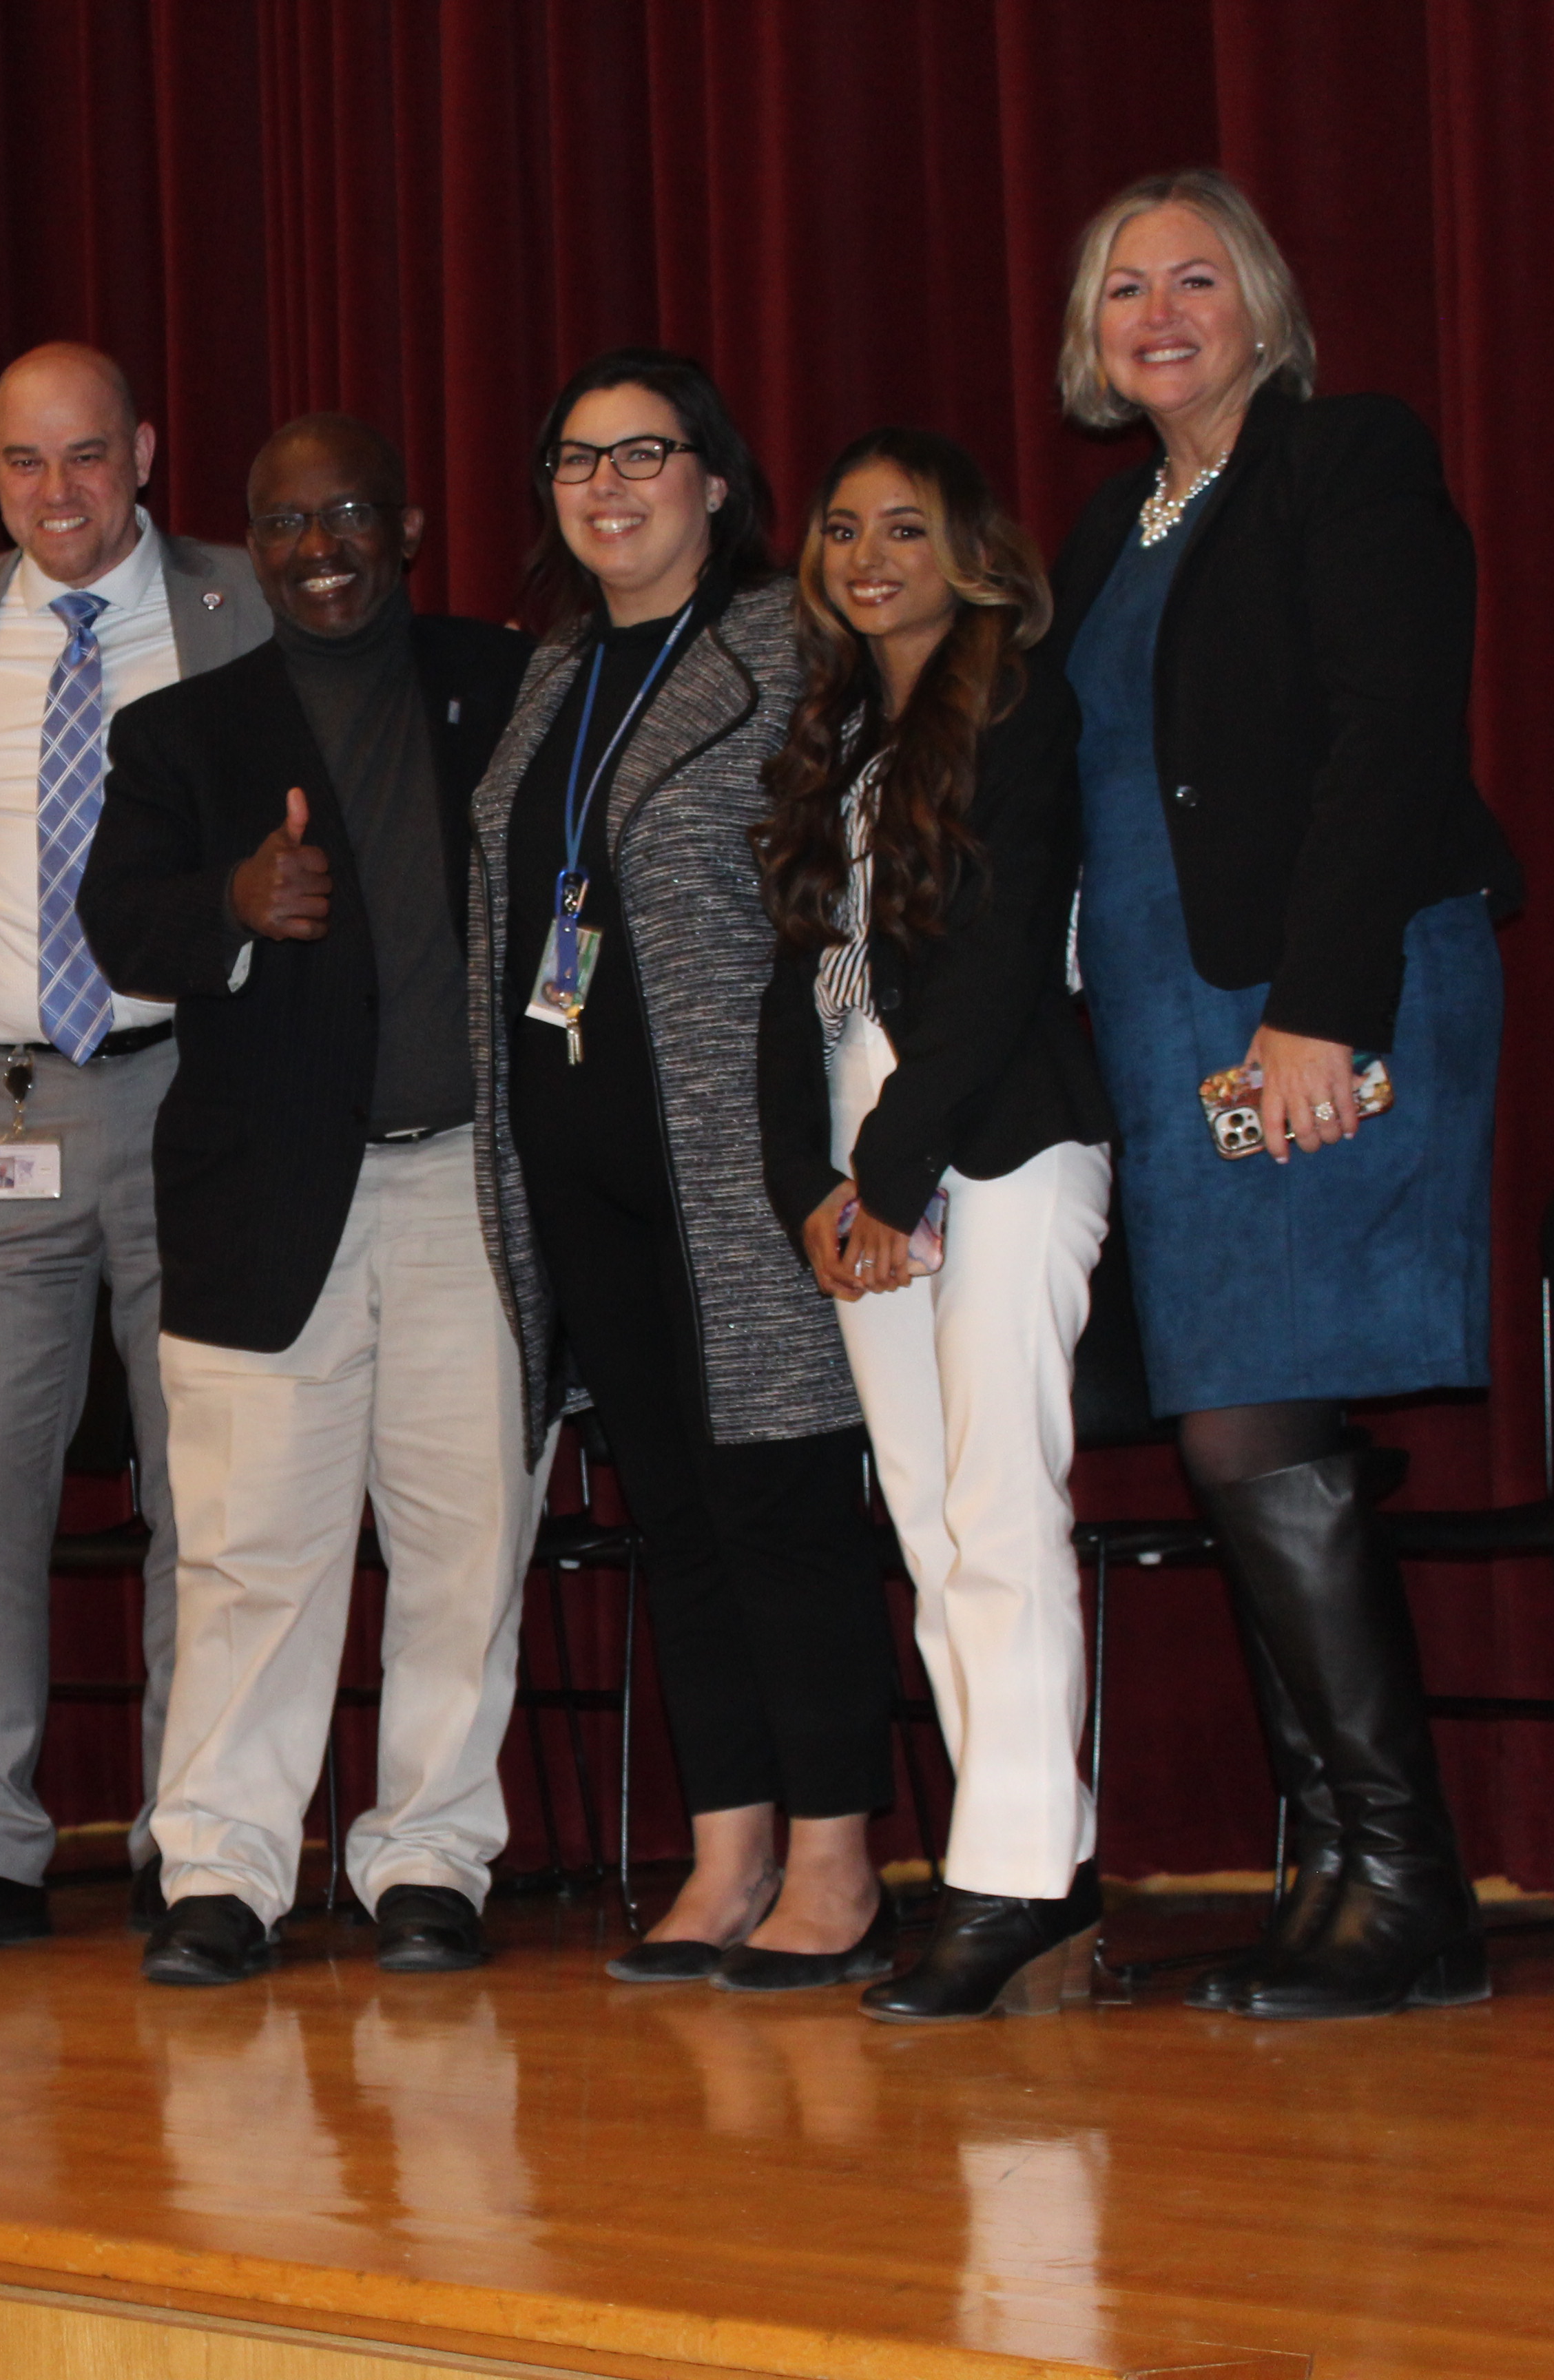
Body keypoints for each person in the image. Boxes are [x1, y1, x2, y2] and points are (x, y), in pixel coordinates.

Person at [1042, 169, 1521, 2021]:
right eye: (1123, 288)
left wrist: (1321, 1009)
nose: (1160, 312)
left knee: (1253, 1425)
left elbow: (1396, 728)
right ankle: (1337, 1868)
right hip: (1168, 1025)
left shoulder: (1349, 461)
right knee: (1243, 1425)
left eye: (1197, 278)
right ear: (1091, 342)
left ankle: (1407, 1882)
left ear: (1264, 308)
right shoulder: (1109, 533)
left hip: (1324, 994)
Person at [78, 414, 538, 1985]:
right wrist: (231, 903)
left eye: (350, 512)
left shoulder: (509, 686)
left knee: (465, 1545)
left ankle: (429, 1864)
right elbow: (121, 928)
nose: (321, 546)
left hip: (473, 1192)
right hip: (264, 1207)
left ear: (406, 527)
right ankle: (222, 1872)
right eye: (285, 522)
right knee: (250, 1556)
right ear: (247, 545)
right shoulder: (183, 734)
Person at [466, 349, 894, 1992]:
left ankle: (841, 1864)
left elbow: (836, 905)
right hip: (579, 1164)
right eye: (576, 460)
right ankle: (728, 1854)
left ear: (717, 481)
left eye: (645, 454)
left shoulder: (793, 644)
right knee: (683, 1521)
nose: (607, 486)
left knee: (781, 1499)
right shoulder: (553, 673)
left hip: (741, 1157)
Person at [0, 345, 268, 1961]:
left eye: (90, 458)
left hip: (203, 1092)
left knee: (213, 1492)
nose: (61, 496)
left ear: (149, 452)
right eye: (27, 465)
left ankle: (202, 1844)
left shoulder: (248, 604)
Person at [749, 429, 1117, 2022]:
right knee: (926, 1521)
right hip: (864, 1146)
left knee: (998, 1502)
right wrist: (816, 1186)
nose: (867, 556)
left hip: (999, 1135)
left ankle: (1018, 1880)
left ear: (974, 550)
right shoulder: (836, 726)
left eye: (906, 527)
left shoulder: (1017, 708)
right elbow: (796, 984)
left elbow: (1001, 963)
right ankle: (1026, 1860)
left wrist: (896, 1174)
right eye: (841, 529)